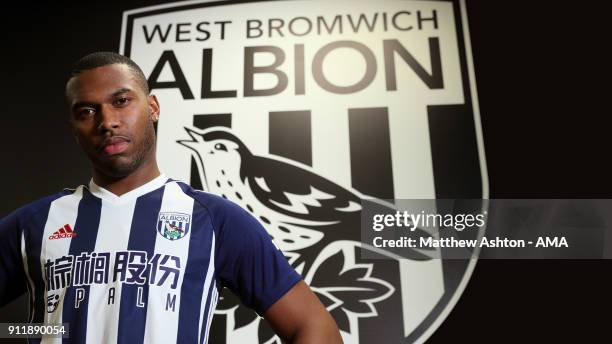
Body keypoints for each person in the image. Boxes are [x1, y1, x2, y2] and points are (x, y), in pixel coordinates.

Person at [0, 52, 342, 344]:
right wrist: (35, 331)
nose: (107, 121)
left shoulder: (214, 219)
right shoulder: (36, 223)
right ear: (74, 128)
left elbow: (314, 328)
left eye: (121, 101)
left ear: (153, 107)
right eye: (87, 111)